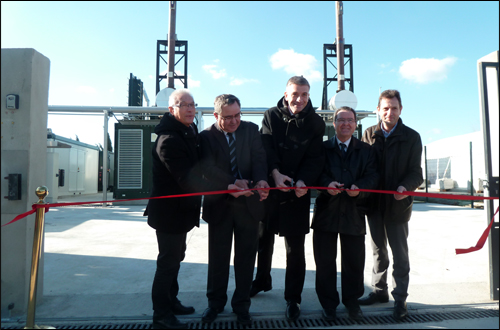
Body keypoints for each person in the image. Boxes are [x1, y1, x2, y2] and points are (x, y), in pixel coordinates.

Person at [251, 76, 325, 322]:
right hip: (271, 189)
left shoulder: (315, 123)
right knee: (263, 240)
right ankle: (262, 280)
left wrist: (303, 181)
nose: (300, 99)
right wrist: (274, 174)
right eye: (295, 94)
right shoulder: (271, 116)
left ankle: (293, 298)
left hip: (298, 192)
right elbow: (265, 148)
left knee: (295, 249)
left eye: (304, 94)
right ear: (285, 94)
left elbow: (315, 158)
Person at [199, 94, 270, 326]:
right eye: (228, 117)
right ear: (216, 115)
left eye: (238, 115)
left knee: (246, 259)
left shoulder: (250, 130)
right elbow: (207, 168)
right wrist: (231, 183)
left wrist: (260, 180)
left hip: (248, 206)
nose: (234, 121)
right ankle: (215, 304)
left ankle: (242, 306)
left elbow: (260, 159)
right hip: (220, 205)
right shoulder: (206, 137)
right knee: (218, 259)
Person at [358, 89, 423, 321]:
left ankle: (400, 298)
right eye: (385, 108)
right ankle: (379, 291)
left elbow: (417, 173)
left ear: (401, 110)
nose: (389, 112)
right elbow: (364, 168)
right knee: (378, 252)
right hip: (374, 205)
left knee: (400, 255)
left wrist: (405, 187)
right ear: (378, 110)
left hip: (398, 206)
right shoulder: (368, 134)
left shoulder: (412, 137)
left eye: (394, 108)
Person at [144, 89, 207, 329]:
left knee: (176, 258)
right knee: (168, 262)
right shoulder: (169, 139)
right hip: (169, 213)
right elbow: (188, 177)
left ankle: (171, 301)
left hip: (182, 211)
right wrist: (227, 184)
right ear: (172, 109)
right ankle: (161, 315)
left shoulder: (188, 131)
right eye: (185, 105)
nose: (190, 109)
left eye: (193, 105)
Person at [311, 106, 379, 322]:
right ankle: (328, 305)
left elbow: (373, 177)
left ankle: (352, 303)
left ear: (356, 124)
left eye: (350, 120)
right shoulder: (321, 149)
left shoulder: (366, 151)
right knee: (324, 263)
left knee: (354, 262)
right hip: (326, 214)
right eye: (341, 120)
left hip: (353, 213)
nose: (346, 124)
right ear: (334, 123)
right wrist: (325, 184)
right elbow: (314, 174)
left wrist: (359, 189)